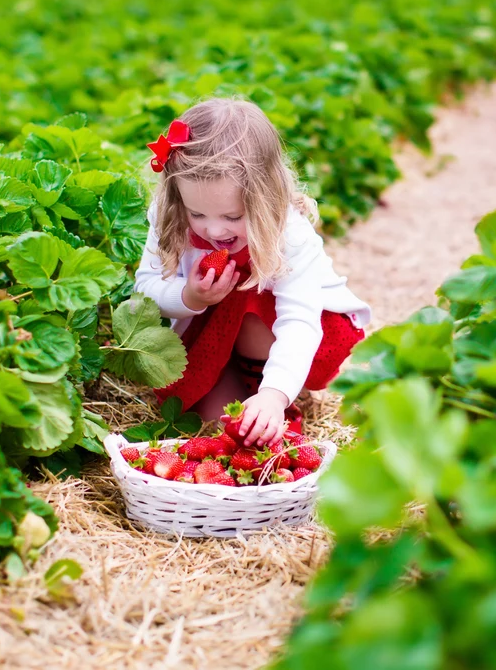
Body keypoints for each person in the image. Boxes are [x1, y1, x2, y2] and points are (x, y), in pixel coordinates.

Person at [133, 97, 372, 447]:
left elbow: (298, 323)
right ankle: (243, 392)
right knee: (221, 425)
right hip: (213, 332)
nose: (214, 231)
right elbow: (146, 287)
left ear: (266, 199)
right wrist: (189, 296)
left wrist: (274, 396)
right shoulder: (170, 214)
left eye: (232, 217)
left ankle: (273, 397)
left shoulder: (288, 233)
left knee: (248, 296)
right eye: (197, 214)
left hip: (295, 331)